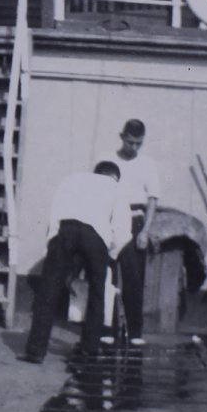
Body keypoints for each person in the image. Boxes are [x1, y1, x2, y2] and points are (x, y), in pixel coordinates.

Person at [23, 161, 131, 364]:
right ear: (114, 177)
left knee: (48, 291)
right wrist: (110, 254)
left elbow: (55, 214)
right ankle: (90, 350)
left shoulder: (73, 179)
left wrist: (53, 246)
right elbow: (123, 230)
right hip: (96, 236)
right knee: (97, 293)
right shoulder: (115, 187)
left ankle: (35, 351)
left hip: (66, 230)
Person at [101, 119, 160, 345]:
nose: (134, 147)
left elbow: (153, 199)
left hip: (135, 221)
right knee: (107, 278)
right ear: (121, 137)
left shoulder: (147, 164)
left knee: (134, 279)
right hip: (110, 220)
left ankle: (135, 332)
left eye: (138, 143)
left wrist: (145, 231)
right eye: (130, 142)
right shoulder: (107, 159)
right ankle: (107, 329)